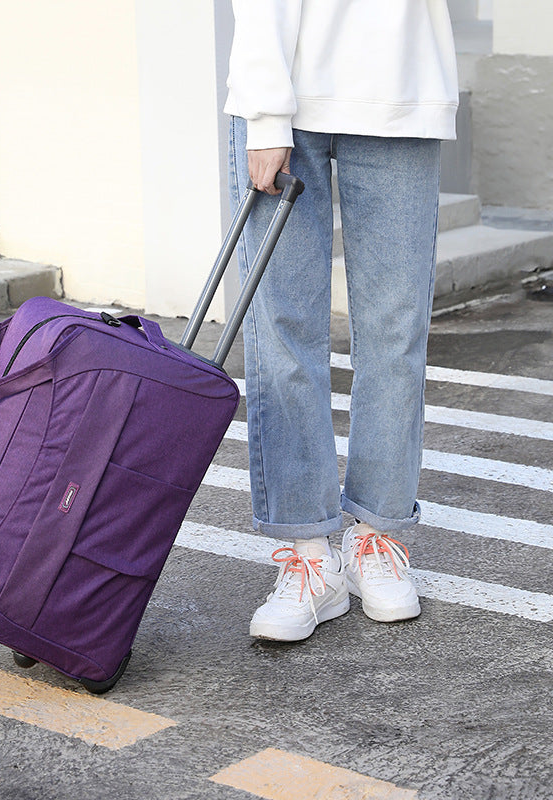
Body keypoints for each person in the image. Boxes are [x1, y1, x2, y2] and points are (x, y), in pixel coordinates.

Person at [224, 0, 459, 641]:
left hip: (403, 94)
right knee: (283, 332)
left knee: (394, 332)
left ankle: (375, 536)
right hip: (288, 106)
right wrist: (267, 115)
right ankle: (308, 557)